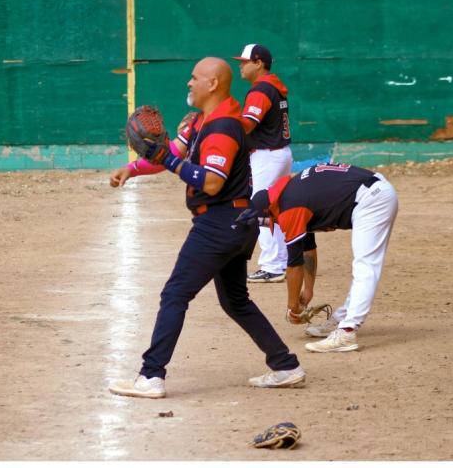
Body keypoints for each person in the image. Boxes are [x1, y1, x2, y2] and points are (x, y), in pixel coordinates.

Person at [107, 57, 306, 398]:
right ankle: (286, 365)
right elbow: (170, 151)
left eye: (194, 77)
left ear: (212, 83)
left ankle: (151, 376)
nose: (189, 82)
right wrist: (134, 168)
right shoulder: (205, 120)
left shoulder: (223, 127)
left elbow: (212, 182)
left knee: (175, 294)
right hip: (233, 224)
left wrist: (168, 162)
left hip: (219, 224)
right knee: (236, 301)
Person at [236, 162, 398, 352]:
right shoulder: (292, 193)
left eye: (271, 222)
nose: (276, 225)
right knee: (364, 265)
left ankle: (347, 332)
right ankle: (342, 319)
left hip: (372, 200)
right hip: (374, 192)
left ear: (268, 211)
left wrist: (292, 306)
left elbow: (294, 264)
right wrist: (308, 291)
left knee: (366, 266)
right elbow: (308, 249)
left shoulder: (290, 208)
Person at [232, 43, 317, 284]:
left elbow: (247, 124)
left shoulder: (260, 90)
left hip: (266, 157)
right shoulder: (274, 87)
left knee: (260, 208)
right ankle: (281, 260)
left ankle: (273, 265)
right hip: (280, 154)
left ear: (258, 63)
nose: (240, 65)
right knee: (275, 209)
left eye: (244, 61)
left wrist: (226, 125)